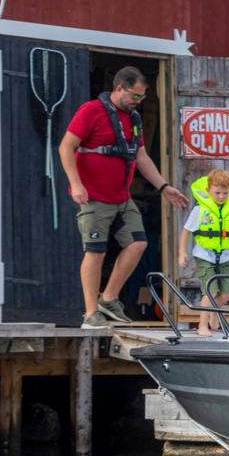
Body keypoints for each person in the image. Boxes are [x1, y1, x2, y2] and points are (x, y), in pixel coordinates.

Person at [58, 66, 188, 329]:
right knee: (96, 252)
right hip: (93, 197)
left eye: (141, 98)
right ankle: (90, 313)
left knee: (138, 244)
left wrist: (164, 187)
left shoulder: (134, 119)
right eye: (135, 96)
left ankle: (108, 298)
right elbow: (66, 146)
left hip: (121, 197)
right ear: (119, 88)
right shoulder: (91, 111)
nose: (138, 102)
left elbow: (141, 157)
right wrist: (76, 184)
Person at [178, 168, 229, 336]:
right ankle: (202, 325)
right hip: (204, 255)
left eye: (224, 193)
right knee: (211, 290)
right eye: (217, 193)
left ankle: (214, 312)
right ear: (208, 190)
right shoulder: (200, 210)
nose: (221, 197)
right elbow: (186, 231)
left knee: (227, 292)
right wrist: (182, 252)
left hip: (224, 256)